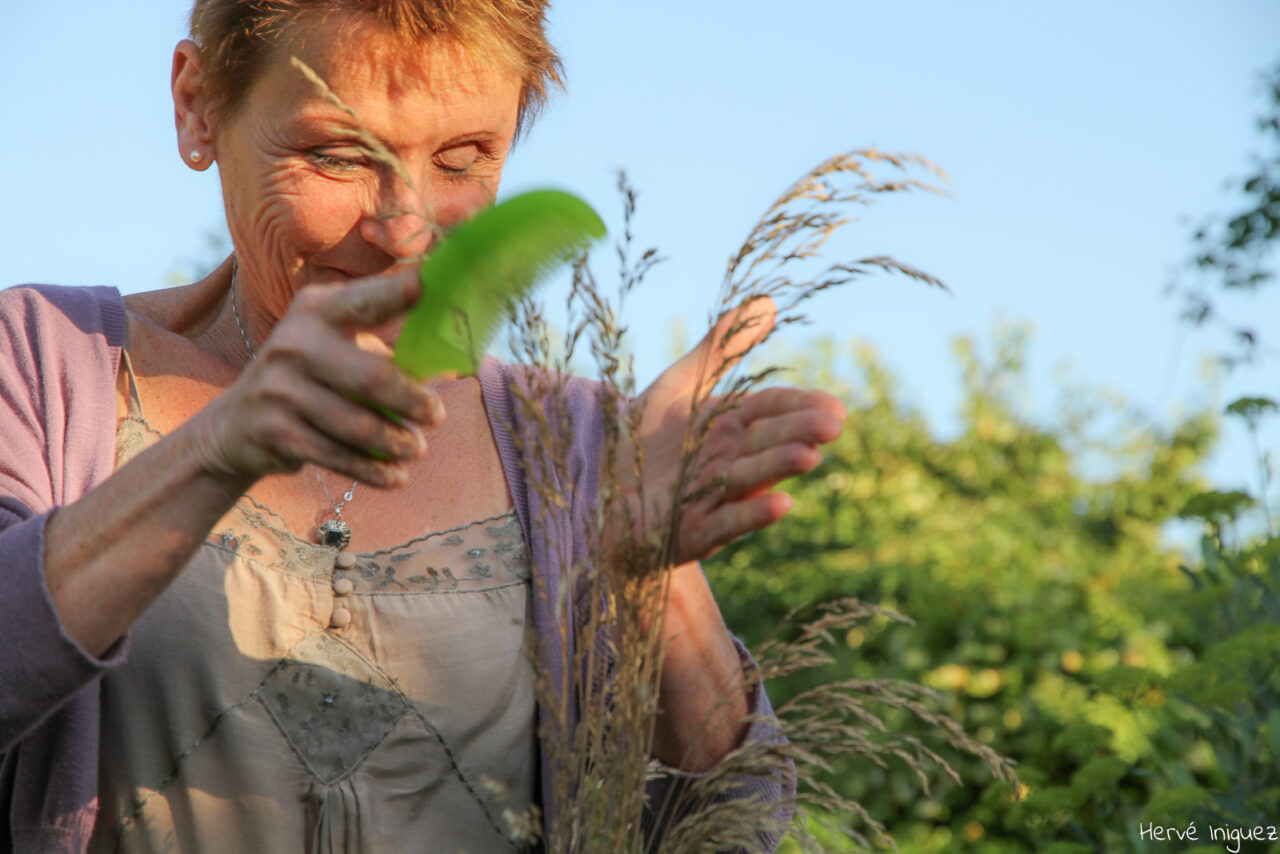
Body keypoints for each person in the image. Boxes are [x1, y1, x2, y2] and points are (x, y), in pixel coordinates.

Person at [0, 1, 846, 851]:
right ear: (197, 105)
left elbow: (738, 829)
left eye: (462, 158)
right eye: (335, 154)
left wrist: (644, 584)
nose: (404, 228)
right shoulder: (42, 364)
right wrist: (214, 454)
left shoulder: (577, 444)